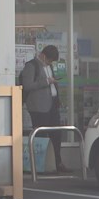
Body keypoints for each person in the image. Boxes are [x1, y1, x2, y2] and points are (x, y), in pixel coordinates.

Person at [19, 44, 69, 173]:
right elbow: (28, 85)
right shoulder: (31, 66)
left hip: (52, 104)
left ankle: (58, 162)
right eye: (49, 60)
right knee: (41, 134)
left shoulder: (50, 66)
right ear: (44, 55)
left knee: (56, 134)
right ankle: (39, 165)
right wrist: (46, 81)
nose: (50, 62)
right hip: (38, 106)